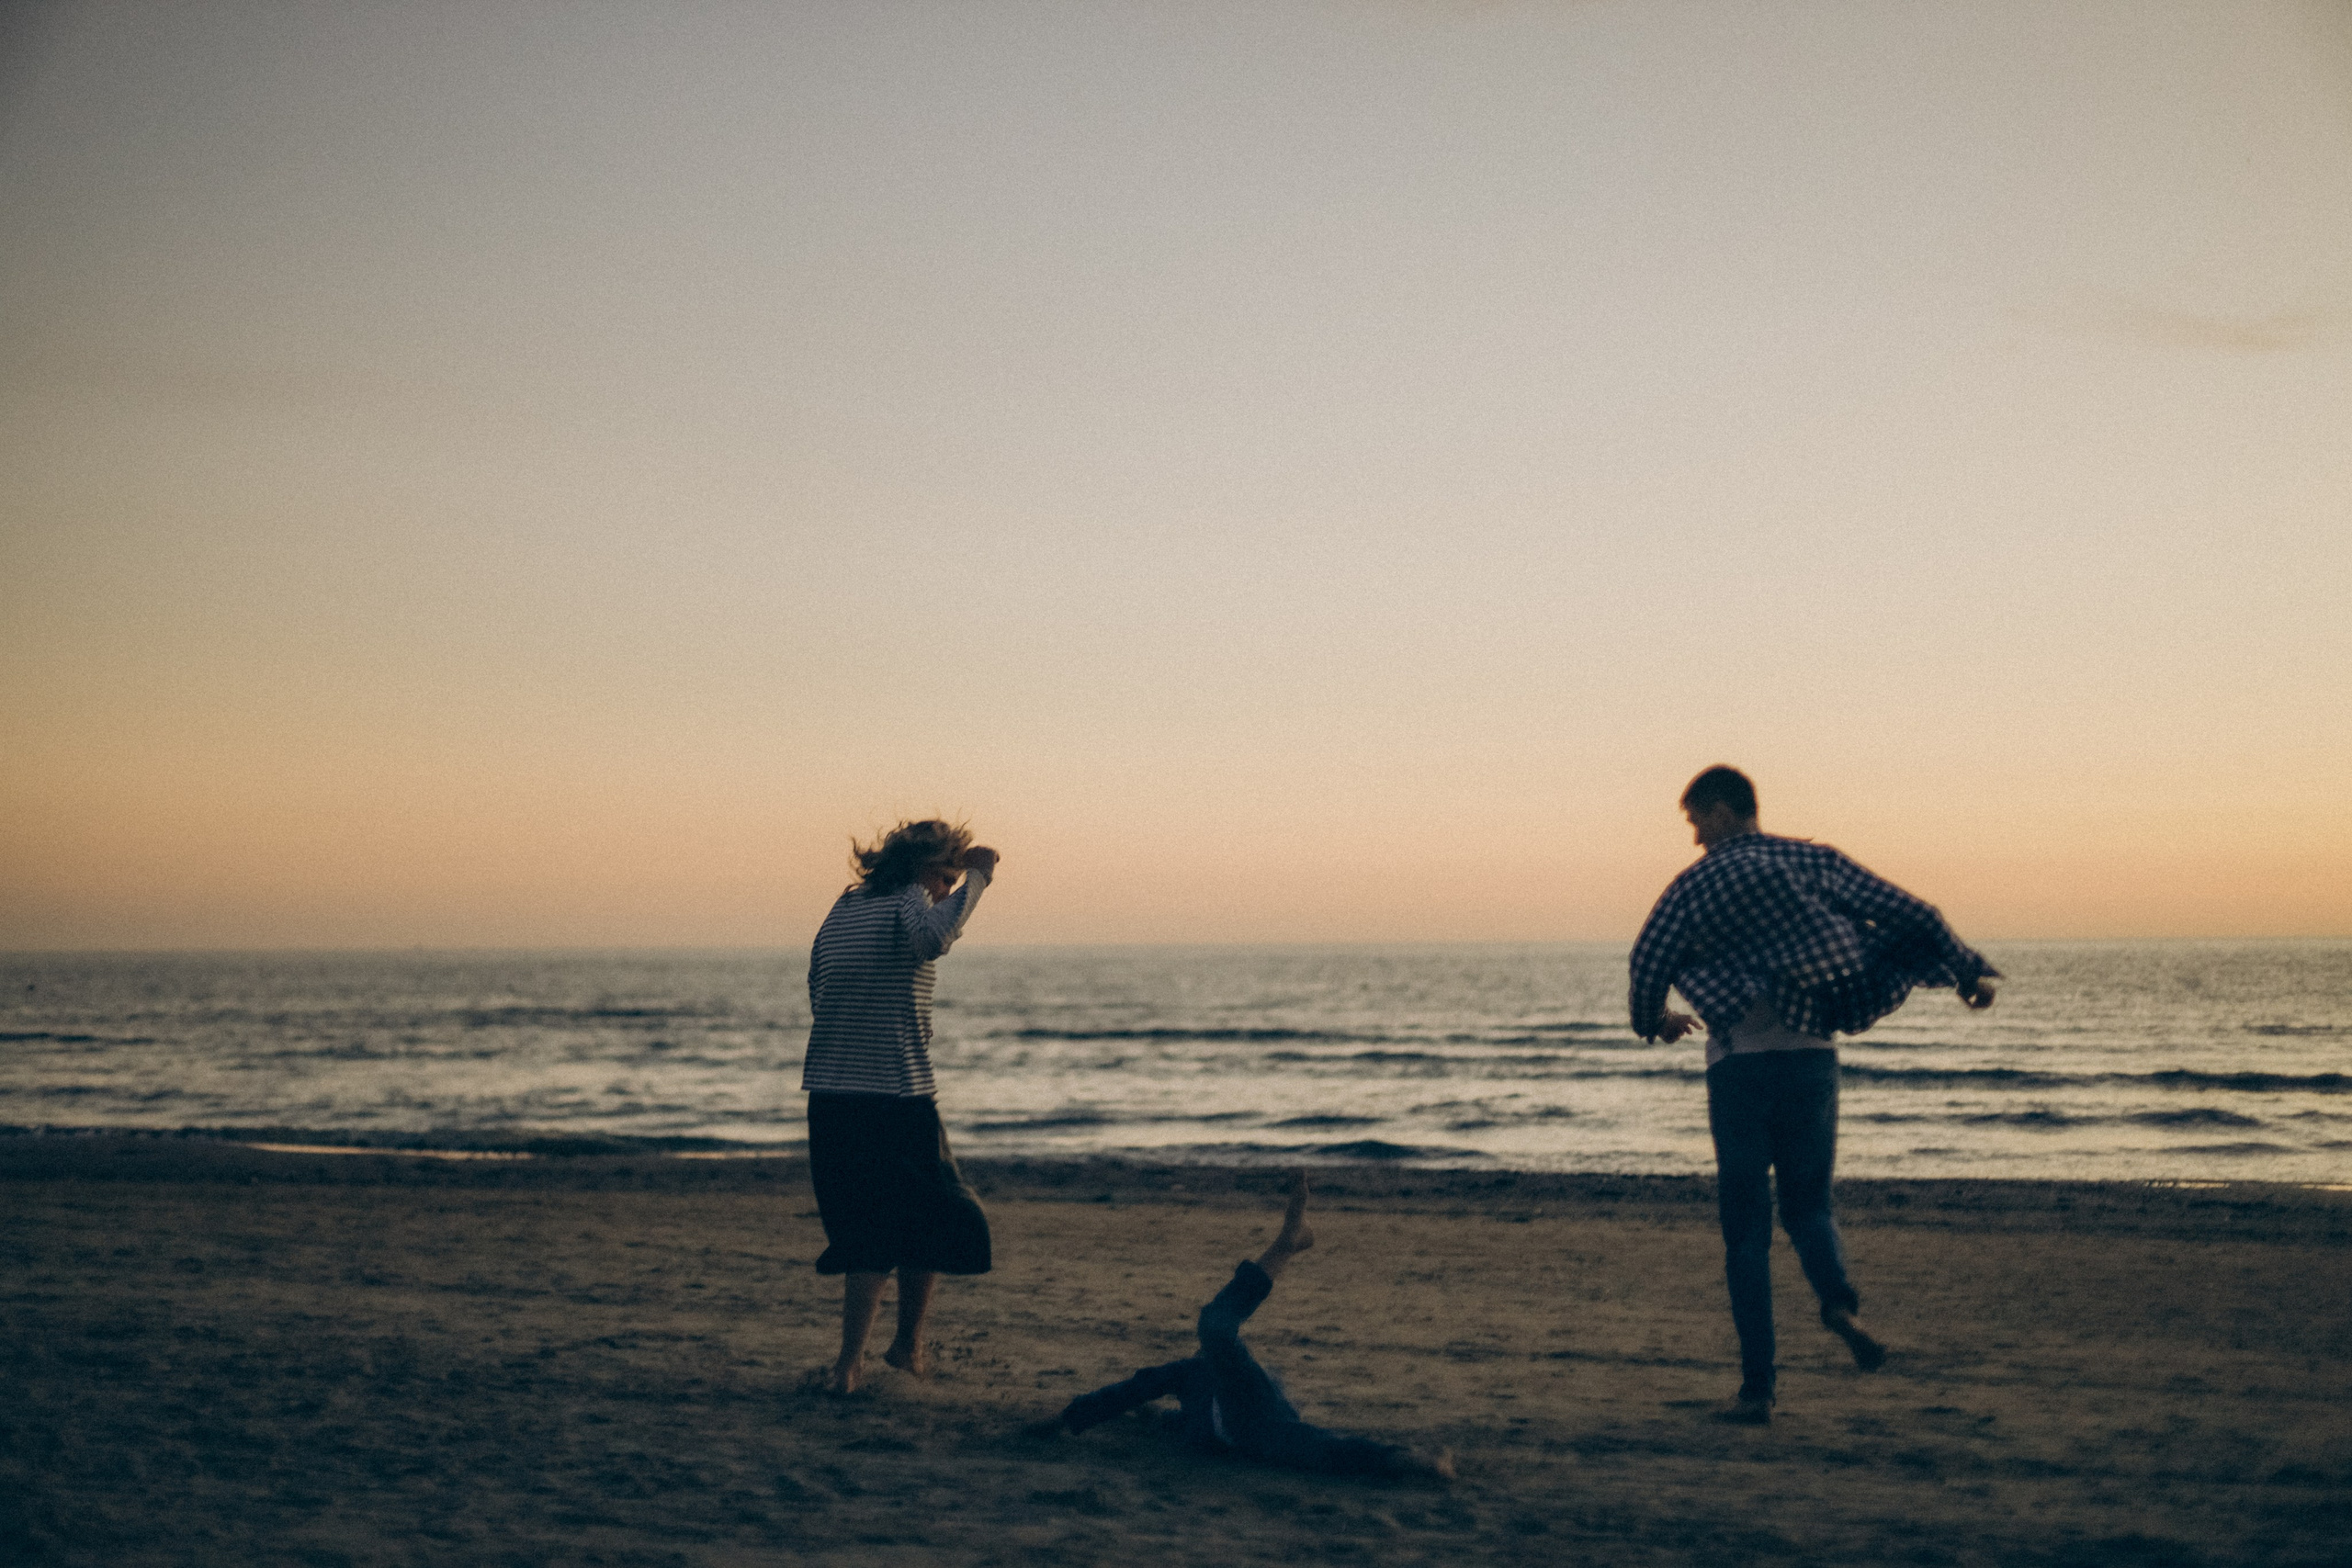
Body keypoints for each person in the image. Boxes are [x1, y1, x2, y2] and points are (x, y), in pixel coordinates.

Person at [1628, 766, 1998, 1425]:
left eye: (1694, 822)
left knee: (1745, 1235)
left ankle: (1758, 1390)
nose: (1693, 839)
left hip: (1739, 1070)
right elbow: (1915, 913)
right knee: (1809, 1208)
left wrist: (1653, 1019)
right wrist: (1965, 969)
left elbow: (1647, 960)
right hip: (1811, 1066)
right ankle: (1838, 1303)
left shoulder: (1692, 887)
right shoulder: (1812, 861)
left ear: (1719, 811)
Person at [1028, 1172, 1454, 1483]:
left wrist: (1069, 1418)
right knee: (1321, 1452)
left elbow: (1129, 1390)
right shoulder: (1185, 1418)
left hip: (1254, 1405)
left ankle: (1287, 1244)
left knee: (1214, 1328)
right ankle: (1413, 1461)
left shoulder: (1192, 1372)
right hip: (1254, 1436)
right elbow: (1134, 1400)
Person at [801, 818, 1001, 1394]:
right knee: (930, 1218)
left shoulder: (843, 910)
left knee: (867, 1229)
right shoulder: (910, 900)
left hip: (832, 1095)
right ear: (924, 870)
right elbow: (932, 940)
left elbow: (818, 986)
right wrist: (979, 882)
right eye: (946, 876)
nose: (946, 890)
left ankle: (854, 1363)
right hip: (896, 1094)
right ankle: (896, 1352)